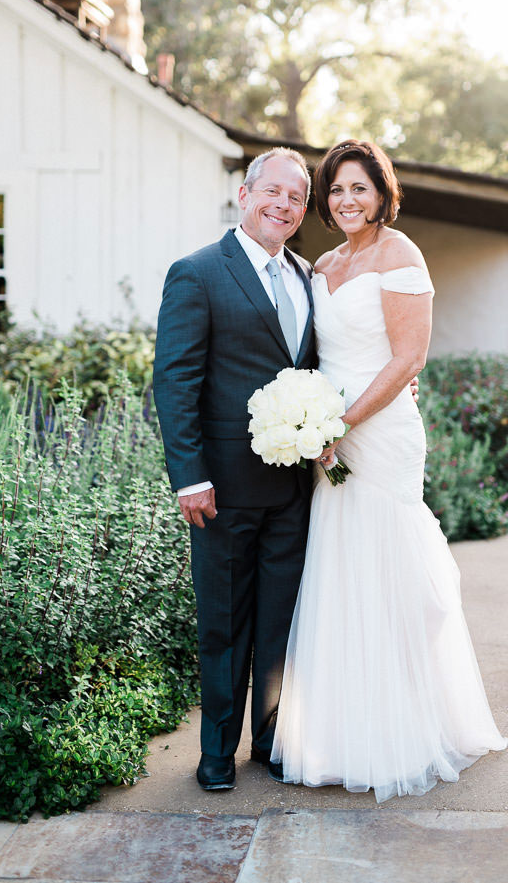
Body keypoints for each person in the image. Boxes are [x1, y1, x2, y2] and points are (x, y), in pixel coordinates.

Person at [270, 139, 507, 801]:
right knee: (342, 568)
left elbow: (407, 360)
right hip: (329, 438)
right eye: (337, 189)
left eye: (360, 188)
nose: (347, 200)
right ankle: (341, 735)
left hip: (378, 432)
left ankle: (404, 728)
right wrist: (309, 419)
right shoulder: (321, 263)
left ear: (381, 194)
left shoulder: (401, 254)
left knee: (394, 569)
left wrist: (341, 423)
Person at [153, 148, 316, 791]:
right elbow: (175, 378)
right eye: (272, 191)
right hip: (220, 488)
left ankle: (269, 742)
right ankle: (216, 751)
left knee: (279, 619)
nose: (283, 205)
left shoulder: (308, 276)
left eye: (296, 198)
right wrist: (189, 475)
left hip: (294, 487)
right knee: (224, 622)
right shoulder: (197, 273)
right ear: (245, 195)